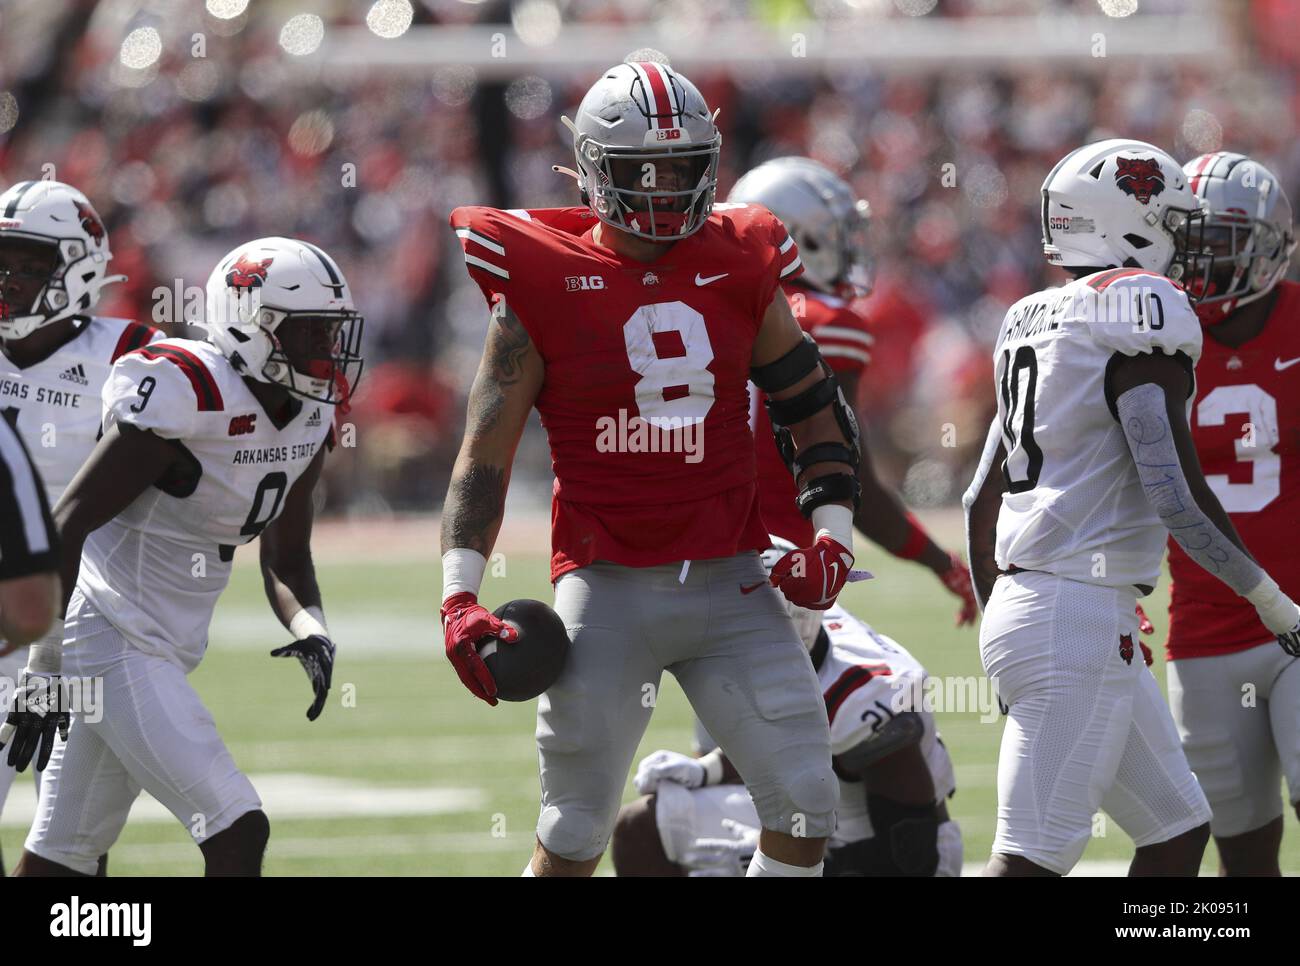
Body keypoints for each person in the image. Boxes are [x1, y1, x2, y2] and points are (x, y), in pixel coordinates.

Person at [442, 60, 862, 877]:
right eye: (645, 170)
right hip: (609, 584)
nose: (667, 187)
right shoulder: (538, 277)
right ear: (597, 169)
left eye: (684, 167)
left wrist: (832, 534)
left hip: (734, 576)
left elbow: (811, 405)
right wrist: (459, 593)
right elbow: (483, 455)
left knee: (808, 803)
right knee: (572, 832)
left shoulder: (743, 258)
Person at [963, 138, 1300, 876]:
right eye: (1175, 222)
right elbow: (1175, 497)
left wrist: (1006, 615)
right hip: (1072, 613)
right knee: (1029, 858)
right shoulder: (1142, 311)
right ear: (1135, 221)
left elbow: (975, 499)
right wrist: (1277, 606)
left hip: (1052, 603)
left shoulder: (1031, 316)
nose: (1184, 243)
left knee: (1178, 830)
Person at [8, 237, 362, 876]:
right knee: (236, 827)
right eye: (308, 332)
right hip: (109, 638)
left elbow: (288, 553)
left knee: (64, 858)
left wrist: (312, 627)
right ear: (251, 326)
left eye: (330, 333)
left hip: (163, 642)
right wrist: (46, 668)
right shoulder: (186, 389)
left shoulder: (310, 412)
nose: (326, 351)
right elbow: (70, 523)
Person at [613, 537, 961, 877]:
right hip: (810, 811)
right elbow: (783, 737)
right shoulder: (799, 634)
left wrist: (784, 861)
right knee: (640, 828)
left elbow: (910, 854)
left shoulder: (861, 699)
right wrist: (708, 770)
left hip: (874, 847)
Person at [727, 158, 976, 625]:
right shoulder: (825, 320)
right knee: (891, 692)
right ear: (804, 237)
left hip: (705, 553)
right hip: (779, 563)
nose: (848, 248)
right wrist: (945, 566)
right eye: (838, 233)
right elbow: (846, 475)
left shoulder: (717, 302)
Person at [0, 178, 159, 873]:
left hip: (91, 620)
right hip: (11, 609)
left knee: (70, 842)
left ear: (80, 265)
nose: (9, 277)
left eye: (29, 262)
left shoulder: (133, 353)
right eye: (1, 259)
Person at [1164, 151, 1299, 875]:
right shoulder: (1152, 337)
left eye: (1216, 243)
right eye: (1186, 241)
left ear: (1266, 245)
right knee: (1242, 851)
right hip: (1206, 626)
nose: (1196, 261)